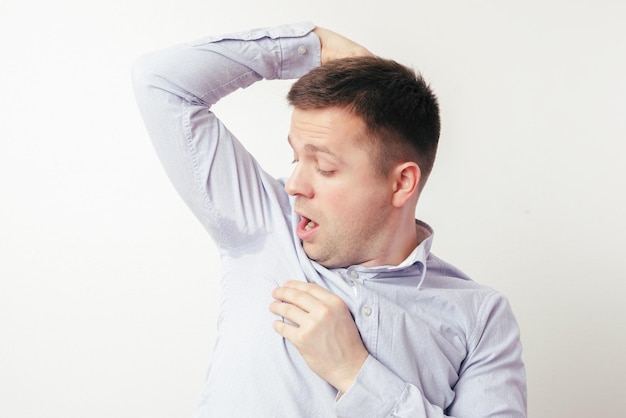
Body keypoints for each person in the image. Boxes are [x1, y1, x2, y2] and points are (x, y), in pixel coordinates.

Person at [132, 22, 527, 417]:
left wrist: (355, 373)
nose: (294, 186)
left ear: (402, 182)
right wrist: (313, 46)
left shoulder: (480, 317)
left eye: (323, 166)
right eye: (295, 157)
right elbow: (161, 82)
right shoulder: (263, 223)